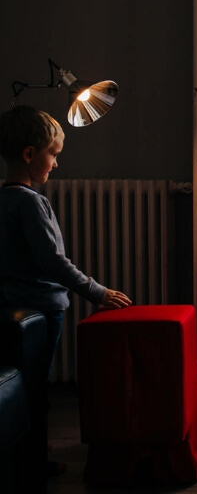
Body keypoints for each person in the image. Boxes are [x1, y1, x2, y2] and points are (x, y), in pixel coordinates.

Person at [0, 105, 132, 478]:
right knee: (36, 384)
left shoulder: (4, 199)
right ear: (29, 155)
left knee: (20, 383)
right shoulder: (31, 202)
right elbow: (52, 262)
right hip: (42, 308)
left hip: (12, 307)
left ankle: (26, 448)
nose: (56, 164)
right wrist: (96, 291)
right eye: (53, 155)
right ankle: (33, 461)